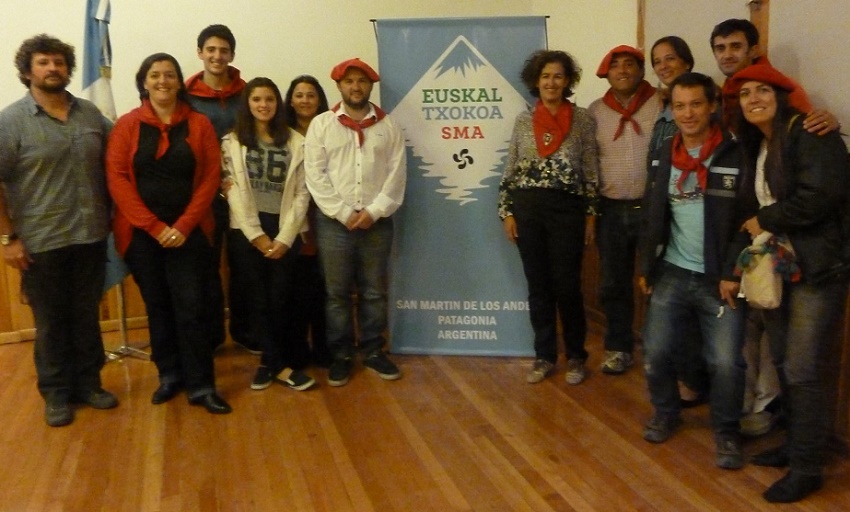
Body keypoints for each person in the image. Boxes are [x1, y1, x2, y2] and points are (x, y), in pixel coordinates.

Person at [731, 63, 850, 503]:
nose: (753, 99)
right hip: (781, 268)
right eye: (745, 95)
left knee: (802, 369)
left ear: (781, 97)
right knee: (782, 362)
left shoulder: (810, 131)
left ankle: (807, 467)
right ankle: (796, 445)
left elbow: (822, 195)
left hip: (818, 270)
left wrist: (766, 217)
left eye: (763, 90)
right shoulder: (758, 145)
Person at [0, 34, 118, 427]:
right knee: (51, 321)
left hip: (90, 235)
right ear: (27, 71)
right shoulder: (11, 121)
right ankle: (55, 394)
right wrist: (7, 238)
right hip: (40, 242)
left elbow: (120, 156)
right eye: (43, 62)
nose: (52, 68)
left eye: (58, 62)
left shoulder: (89, 115)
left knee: (86, 316)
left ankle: (89, 384)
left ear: (68, 68)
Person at [638, 72, 753, 469]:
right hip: (671, 270)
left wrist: (732, 272)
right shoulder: (664, 151)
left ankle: (726, 433)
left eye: (696, 104)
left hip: (719, 278)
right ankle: (667, 413)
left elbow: (747, 220)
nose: (687, 113)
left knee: (726, 362)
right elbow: (653, 215)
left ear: (713, 105)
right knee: (655, 351)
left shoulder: (735, 154)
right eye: (680, 105)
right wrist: (646, 267)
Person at [106, 53, 231, 414]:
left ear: (180, 82)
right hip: (142, 235)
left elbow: (210, 178)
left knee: (192, 308)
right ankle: (169, 376)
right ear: (143, 82)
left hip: (189, 234)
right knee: (158, 307)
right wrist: (156, 227)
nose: (162, 80)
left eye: (169, 75)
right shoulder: (127, 126)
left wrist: (182, 226)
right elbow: (117, 179)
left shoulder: (199, 123)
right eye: (155, 75)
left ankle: (201, 385)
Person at [304, 58, 406, 387]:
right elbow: (316, 176)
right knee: (336, 294)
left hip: (377, 222)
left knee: (374, 291)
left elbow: (396, 176)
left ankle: (374, 350)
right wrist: (345, 213)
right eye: (349, 81)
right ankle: (342, 355)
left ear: (371, 86)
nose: (356, 86)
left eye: (362, 81)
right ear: (338, 86)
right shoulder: (321, 125)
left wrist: (373, 212)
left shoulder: (388, 126)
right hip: (335, 224)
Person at [499, 49, 599, 385]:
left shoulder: (584, 119)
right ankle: (543, 356)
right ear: (535, 81)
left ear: (567, 80)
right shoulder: (523, 121)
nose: (551, 82)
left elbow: (590, 172)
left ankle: (575, 356)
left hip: (567, 211)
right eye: (545, 76)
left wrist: (590, 215)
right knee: (538, 287)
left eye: (558, 75)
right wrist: (507, 211)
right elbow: (510, 170)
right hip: (528, 210)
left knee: (568, 287)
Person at [221, 77, 315, 391]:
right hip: (246, 230)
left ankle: (272, 364)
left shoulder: (297, 142)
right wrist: (256, 235)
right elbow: (232, 192)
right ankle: (275, 365)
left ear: (278, 104)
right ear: (247, 104)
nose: (264, 105)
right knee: (256, 300)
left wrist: (285, 237)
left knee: (280, 299)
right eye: (257, 99)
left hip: (286, 228)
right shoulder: (232, 142)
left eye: (270, 100)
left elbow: (303, 194)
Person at [587, 45, 660, 375]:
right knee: (613, 283)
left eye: (629, 64)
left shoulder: (662, 102)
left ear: (641, 70)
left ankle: (658, 350)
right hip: (611, 210)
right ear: (606, 73)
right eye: (615, 66)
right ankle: (619, 347)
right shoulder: (595, 112)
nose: (623, 71)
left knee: (657, 281)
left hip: (654, 208)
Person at [648, 36, 710, 408]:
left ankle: (701, 385)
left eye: (671, 58)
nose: (664, 65)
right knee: (674, 331)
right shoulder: (661, 111)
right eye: (657, 61)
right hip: (669, 235)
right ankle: (684, 386)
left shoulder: (712, 126)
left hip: (709, 245)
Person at [184, 24, 252, 353]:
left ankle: (247, 332)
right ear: (200, 53)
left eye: (223, 50)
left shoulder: (248, 93)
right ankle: (211, 337)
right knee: (205, 269)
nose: (217, 56)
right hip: (201, 198)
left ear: (232, 55)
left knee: (244, 265)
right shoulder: (185, 97)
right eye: (210, 49)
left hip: (244, 196)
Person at [283, 75, 332, 368]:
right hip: (293, 219)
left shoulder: (332, 128)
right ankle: (298, 349)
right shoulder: (281, 134)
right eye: (299, 95)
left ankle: (326, 347)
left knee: (326, 289)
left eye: (310, 95)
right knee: (297, 290)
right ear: (290, 100)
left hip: (326, 216)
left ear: (320, 99)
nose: (304, 100)